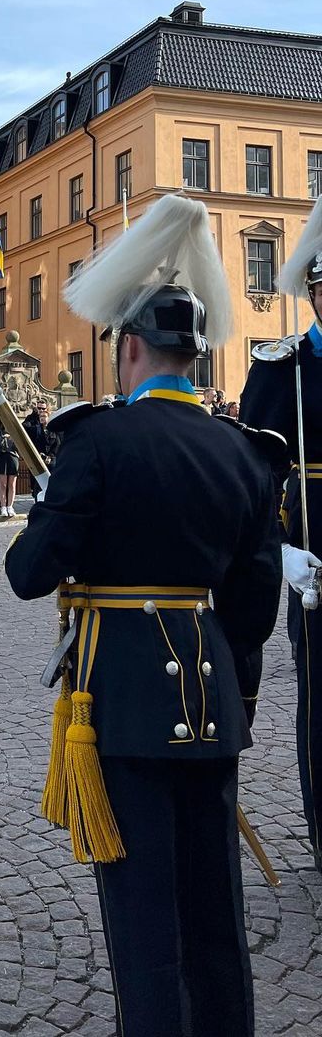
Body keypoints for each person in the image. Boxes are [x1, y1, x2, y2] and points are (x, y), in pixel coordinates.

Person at [6, 194, 283, 1037]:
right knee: (213, 910)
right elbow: (255, 603)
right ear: (194, 354)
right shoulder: (246, 451)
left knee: (143, 922)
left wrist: (52, 508)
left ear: (128, 348)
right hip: (213, 709)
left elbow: (28, 575)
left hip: (120, 707)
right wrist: (236, 698)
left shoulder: (95, 440)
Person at [240, 192, 322, 873]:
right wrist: (279, 546)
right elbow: (252, 472)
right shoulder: (282, 366)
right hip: (316, 546)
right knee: (320, 692)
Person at [0, 420, 20, 516]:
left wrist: (11, 438)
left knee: (12, 484)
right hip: (2, 458)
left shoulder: (16, 433)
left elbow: (20, 445)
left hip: (13, 458)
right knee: (3, 484)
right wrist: (2, 439)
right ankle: (3, 506)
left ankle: (10, 506)